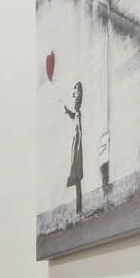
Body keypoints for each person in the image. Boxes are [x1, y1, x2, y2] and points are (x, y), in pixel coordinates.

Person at [63, 81, 85, 215]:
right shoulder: (77, 113)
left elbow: (78, 127)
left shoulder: (78, 112)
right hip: (75, 144)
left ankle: (79, 209)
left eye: (76, 92)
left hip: (77, 145)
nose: (75, 96)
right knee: (76, 175)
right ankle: (78, 208)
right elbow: (75, 116)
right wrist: (68, 112)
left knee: (76, 173)